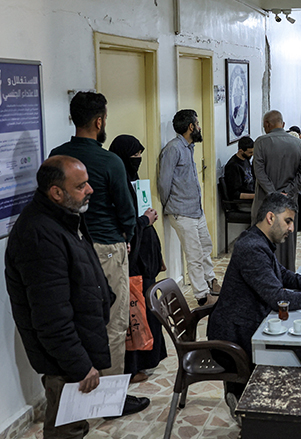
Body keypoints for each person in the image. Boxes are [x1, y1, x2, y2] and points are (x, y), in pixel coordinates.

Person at [5, 157, 126, 438]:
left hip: (78, 346)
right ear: (56, 192)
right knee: (66, 429)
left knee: (77, 424)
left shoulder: (64, 217)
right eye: (81, 185)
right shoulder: (39, 235)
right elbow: (51, 316)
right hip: (64, 360)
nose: (91, 190)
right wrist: (80, 366)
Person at [49, 91, 149, 416]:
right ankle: (109, 400)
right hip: (106, 248)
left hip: (66, 248)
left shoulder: (56, 156)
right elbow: (126, 209)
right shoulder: (110, 161)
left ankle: (80, 397)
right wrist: (128, 236)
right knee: (113, 323)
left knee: (77, 321)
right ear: (100, 121)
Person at [207, 192, 301, 421]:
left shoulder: (257, 241)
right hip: (234, 339)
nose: (291, 228)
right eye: (288, 221)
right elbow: (278, 298)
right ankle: (245, 401)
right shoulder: (252, 247)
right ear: (270, 217)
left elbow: (279, 274)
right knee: (292, 361)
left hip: (244, 327)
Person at [109, 135, 167, 384]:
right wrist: (145, 220)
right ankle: (132, 367)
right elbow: (128, 224)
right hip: (132, 261)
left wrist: (158, 257)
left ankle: (148, 359)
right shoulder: (116, 184)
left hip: (146, 256)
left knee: (150, 309)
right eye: (133, 156)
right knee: (135, 312)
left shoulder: (134, 181)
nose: (138, 160)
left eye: (140, 155)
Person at [159, 109, 221, 306]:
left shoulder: (188, 146)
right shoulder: (173, 149)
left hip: (196, 210)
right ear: (191, 127)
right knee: (193, 254)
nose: (200, 127)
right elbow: (164, 183)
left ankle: (210, 281)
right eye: (198, 123)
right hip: (181, 212)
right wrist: (171, 205)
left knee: (205, 247)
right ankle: (202, 296)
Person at [252, 110, 301, 271]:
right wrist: (289, 192)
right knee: (287, 241)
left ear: (266, 125)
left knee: (263, 240)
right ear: (283, 125)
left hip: (265, 202)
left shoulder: (261, 142)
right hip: (289, 203)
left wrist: (273, 193)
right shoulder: (298, 143)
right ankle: (287, 276)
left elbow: (259, 172)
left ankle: (265, 279)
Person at [224, 136, 255, 201]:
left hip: (252, 193)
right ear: (240, 151)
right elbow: (235, 194)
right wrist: (256, 196)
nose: (252, 154)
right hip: (243, 202)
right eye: (250, 152)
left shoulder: (246, 159)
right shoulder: (233, 167)